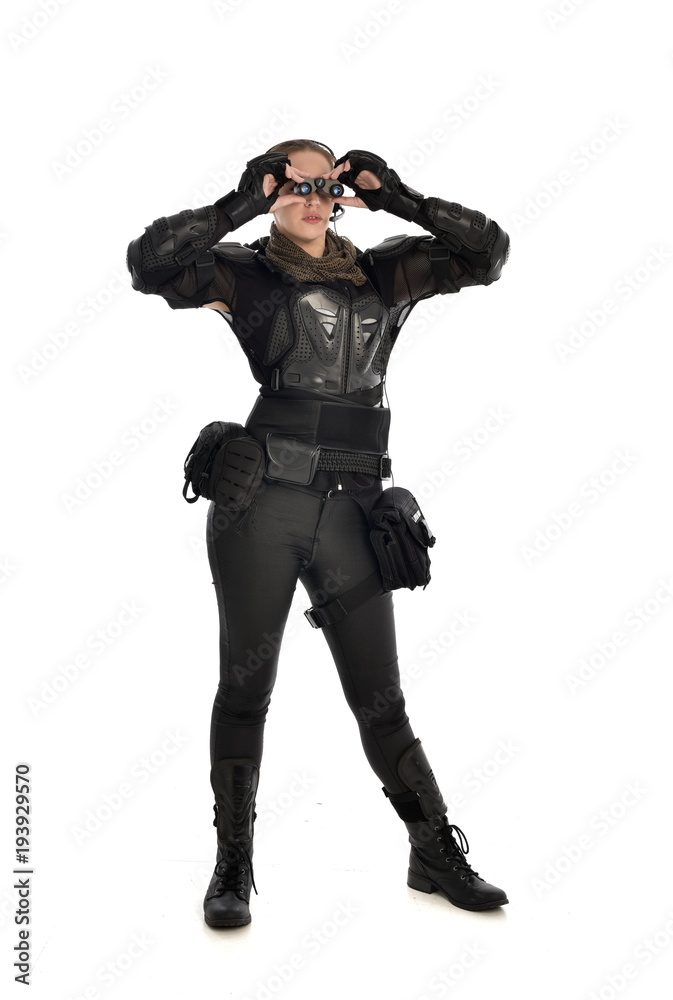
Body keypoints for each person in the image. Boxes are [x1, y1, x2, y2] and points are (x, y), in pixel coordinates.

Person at [127, 139, 511, 929]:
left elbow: (489, 253)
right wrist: (239, 201)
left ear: (340, 194)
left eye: (322, 183)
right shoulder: (243, 271)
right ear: (274, 191)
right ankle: (233, 866)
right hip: (260, 502)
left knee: (382, 698)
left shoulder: (386, 272)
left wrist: (398, 196)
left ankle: (432, 852)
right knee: (246, 686)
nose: (309, 195)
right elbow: (148, 264)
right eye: (292, 183)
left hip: (352, 508)